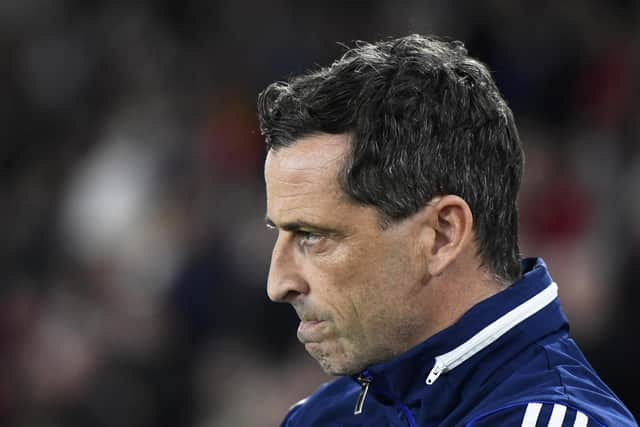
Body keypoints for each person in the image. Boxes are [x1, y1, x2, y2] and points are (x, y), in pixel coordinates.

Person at [256, 34, 637, 426]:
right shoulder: (322, 416)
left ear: (441, 235)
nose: (278, 284)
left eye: (312, 236)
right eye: (278, 234)